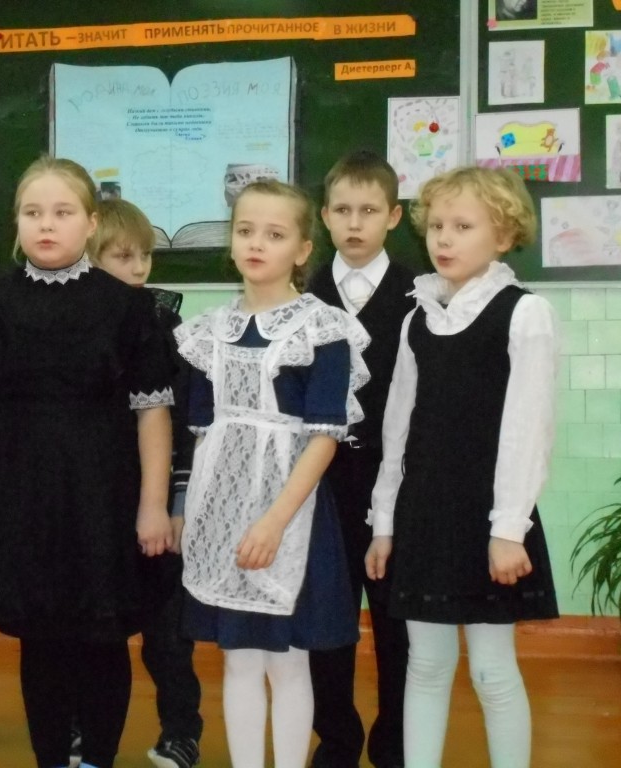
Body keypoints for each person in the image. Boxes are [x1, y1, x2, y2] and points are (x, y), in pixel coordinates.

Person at [0, 155, 175, 768]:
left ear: (91, 223)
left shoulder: (129, 309)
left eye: (63, 212)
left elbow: (153, 414)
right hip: (20, 495)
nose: (46, 224)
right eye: (32, 212)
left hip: (104, 495)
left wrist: (154, 506)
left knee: (102, 635)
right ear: (16, 222)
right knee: (41, 638)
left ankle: (96, 758)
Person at [365, 166, 559, 768]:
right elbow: (397, 430)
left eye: (463, 227)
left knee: (492, 671)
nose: (443, 239)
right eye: (437, 226)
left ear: (503, 236)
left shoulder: (524, 313)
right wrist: (384, 523)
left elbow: (528, 430)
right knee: (425, 664)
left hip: (487, 518)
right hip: (424, 514)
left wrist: (508, 529)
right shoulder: (417, 317)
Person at [175, 180, 368, 768]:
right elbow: (203, 432)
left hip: (291, 516)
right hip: (223, 512)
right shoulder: (207, 332)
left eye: (275, 234)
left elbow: (324, 436)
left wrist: (274, 522)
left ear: (303, 249)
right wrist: (195, 515)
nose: (256, 243)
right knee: (238, 658)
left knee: (287, 661)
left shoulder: (322, 328)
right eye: (245, 231)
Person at [305, 150, 414, 768]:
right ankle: (337, 736)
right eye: (342, 210)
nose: (354, 223)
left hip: (395, 479)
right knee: (329, 611)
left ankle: (394, 739)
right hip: (320, 479)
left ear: (393, 216)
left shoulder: (420, 293)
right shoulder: (304, 293)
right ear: (323, 216)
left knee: (396, 618)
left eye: (369, 211)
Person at [87, 198, 202, 768]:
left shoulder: (166, 330)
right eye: (123, 257)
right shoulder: (72, 328)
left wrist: (175, 502)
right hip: (96, 505)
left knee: (167, 636)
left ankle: (182, 731)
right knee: (93, 630)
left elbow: (183, 427)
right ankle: (86, 729)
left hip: (157, 508)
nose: (139, 269)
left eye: (145, 257)